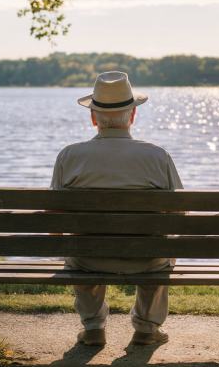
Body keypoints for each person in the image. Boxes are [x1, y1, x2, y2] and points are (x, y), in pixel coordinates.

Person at [50, 71, 183, 347]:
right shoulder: (157, 156)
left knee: (79, 245)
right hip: (147, 260)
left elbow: (55, 216)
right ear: (133, 115)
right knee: (161, 246)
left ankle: (93, 327)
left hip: (87, 259)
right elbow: (179, 215)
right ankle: (146, 328)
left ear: (93, 118)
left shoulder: (69, 156)